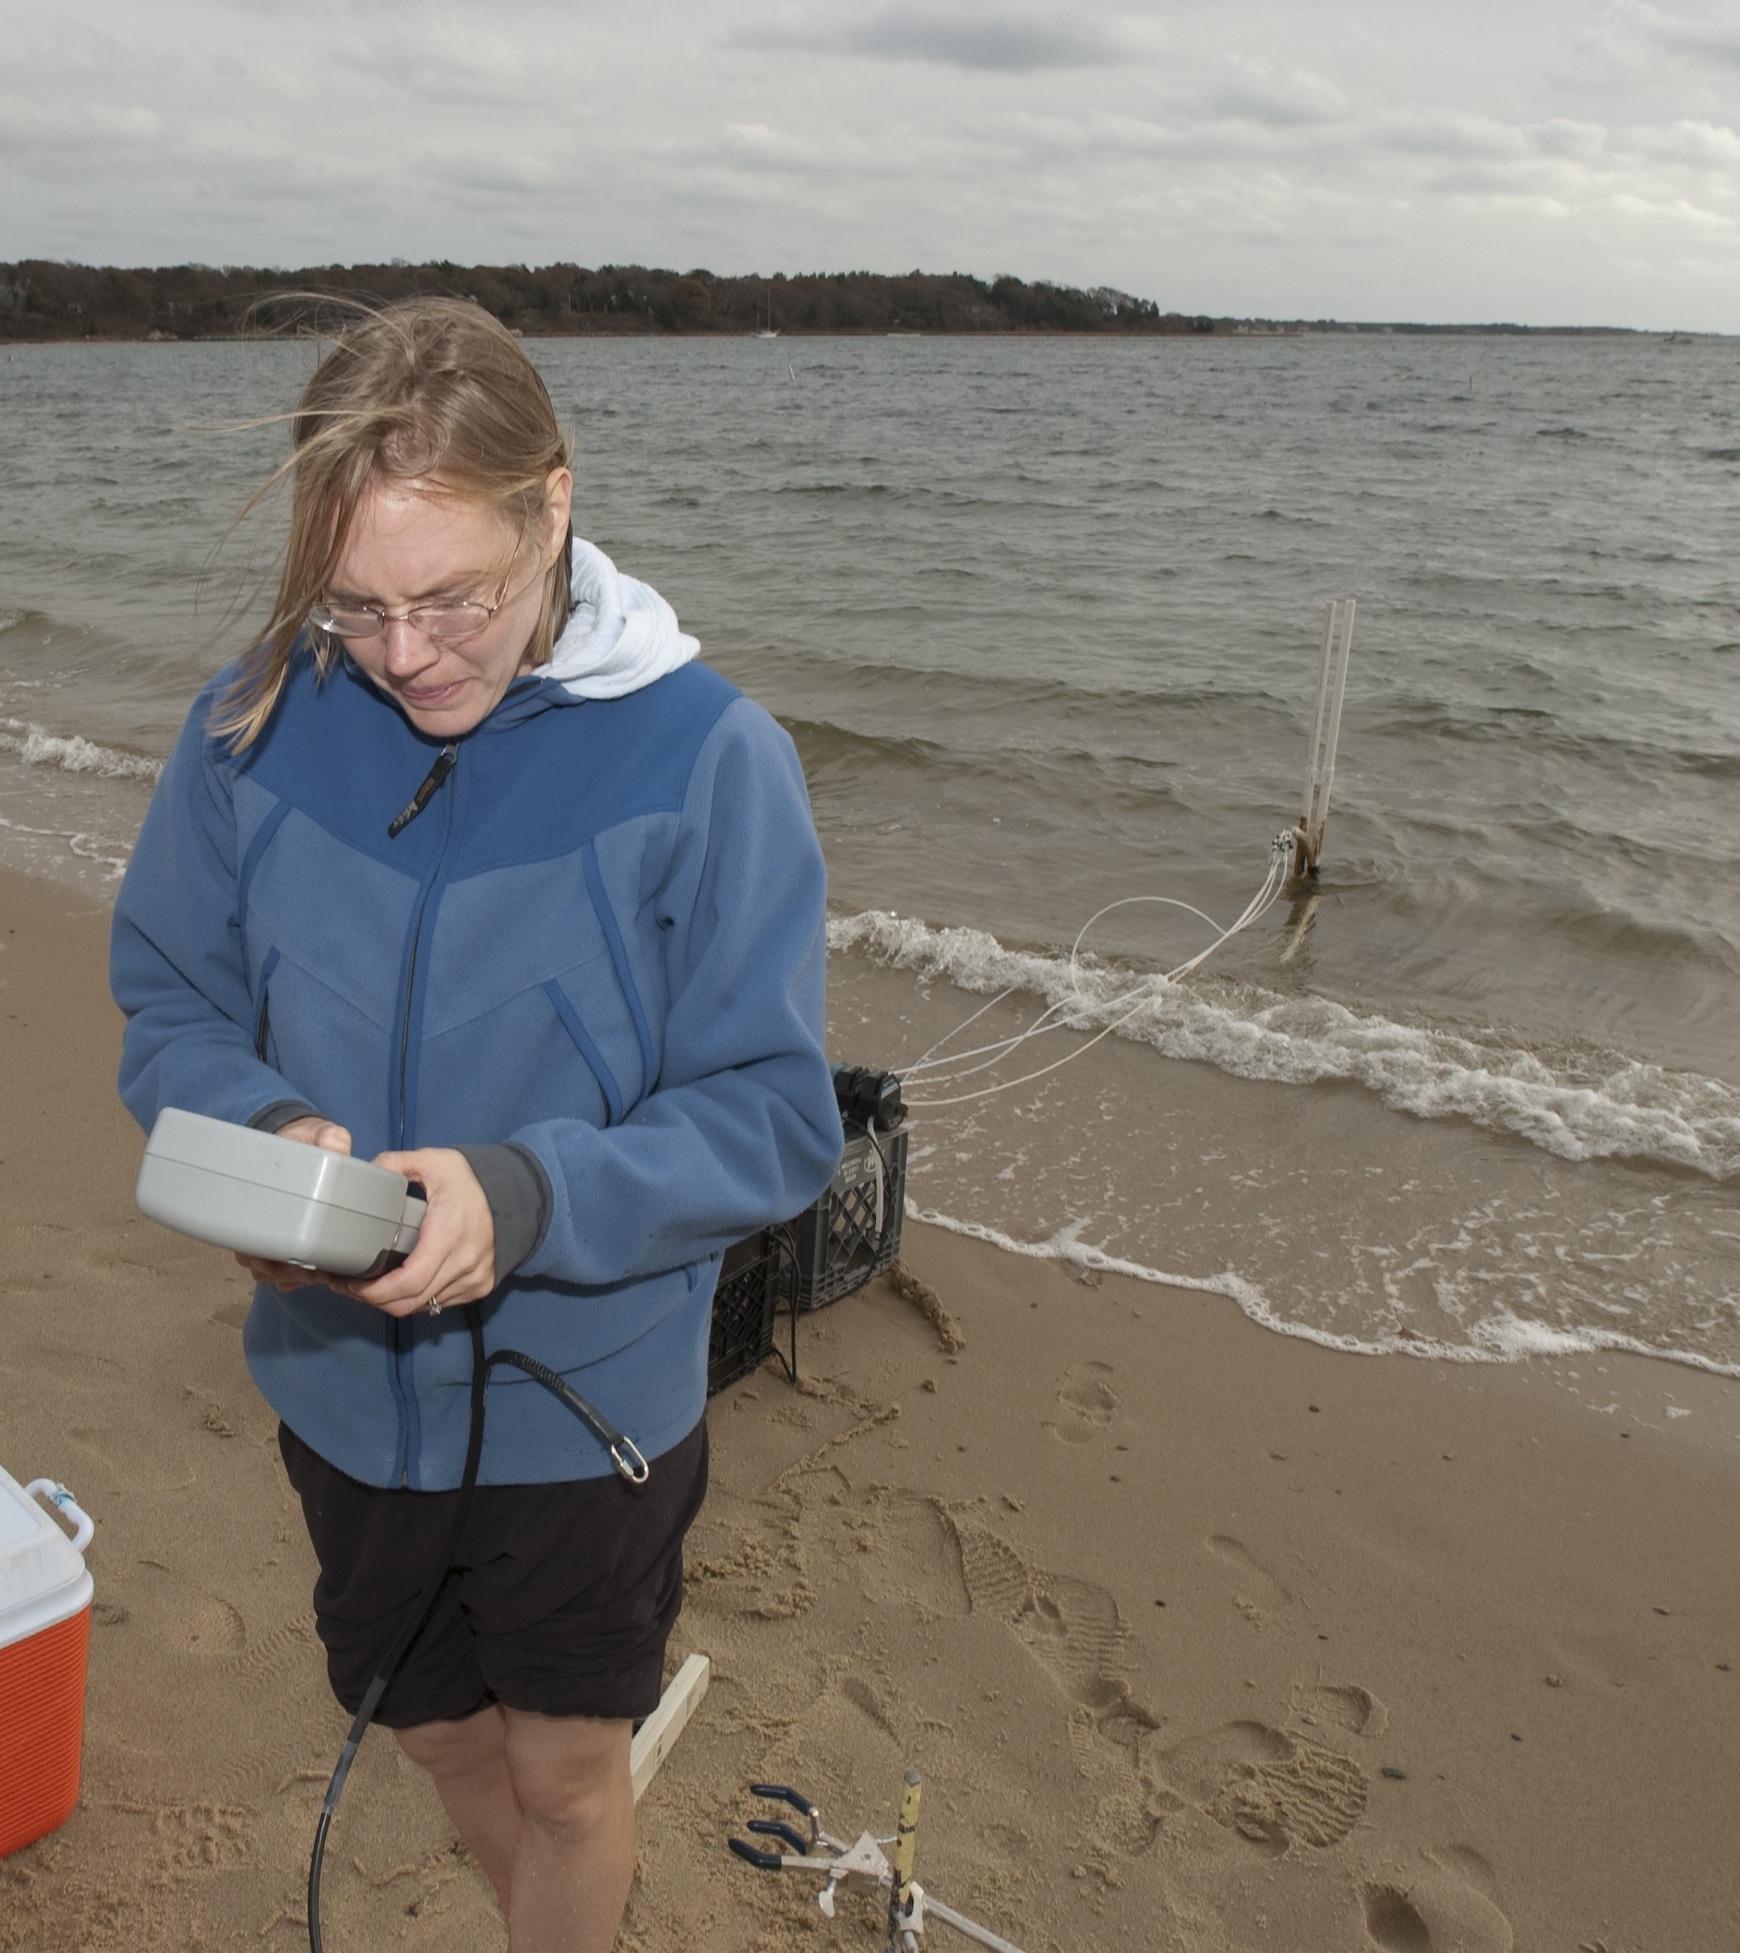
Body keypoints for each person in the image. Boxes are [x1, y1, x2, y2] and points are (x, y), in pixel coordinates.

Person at [109, 298, 843, 1953]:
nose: (406, 651)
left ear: (555, 506)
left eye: (457, 598)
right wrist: (267, 1126)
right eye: (358, 603)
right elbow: (170, 1002)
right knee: (432, 1726)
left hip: (587, 1400)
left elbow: (774, 1116)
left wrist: (523, 1195)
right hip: (339, 1382)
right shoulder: (256, 722)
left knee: (572, 1772)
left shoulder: (714, 758)